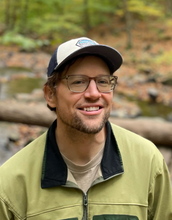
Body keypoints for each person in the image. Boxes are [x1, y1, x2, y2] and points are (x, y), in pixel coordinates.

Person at [0, 37, 172, 220]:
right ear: (50, 94)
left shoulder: (148, 162)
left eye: (103, 81)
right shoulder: (11, 182)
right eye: (78, 82)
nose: (94, 93)